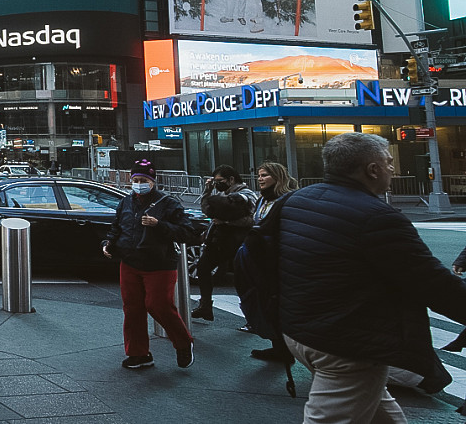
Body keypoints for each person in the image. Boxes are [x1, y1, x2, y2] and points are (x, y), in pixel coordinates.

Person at [279, 132, 466, 422]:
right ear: (373, 169)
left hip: (299, 331)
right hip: (347, 345)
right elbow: (433, 284)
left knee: (383, 416)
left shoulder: (298, 199)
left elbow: (261, 256)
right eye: (389, 162)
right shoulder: (379, 218)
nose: (393, 169)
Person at [102, 159, 195, 370]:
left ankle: (183, 342)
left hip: (159, 263)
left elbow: (187, 231)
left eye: (143, 180)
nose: (139, 183)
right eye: (135, 179)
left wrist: (159, 225)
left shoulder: (168, 203)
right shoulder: (126, 202)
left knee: (158, 304)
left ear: (153, 181)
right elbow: (117, 227)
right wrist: (109, 243)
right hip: (130, 261)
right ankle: (138, 353)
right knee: (132, 308)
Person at [190, 165, 258, 321]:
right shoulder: (222, 195)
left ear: (231, 179)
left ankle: (252, 315)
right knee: (203, 267)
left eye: (219, 181)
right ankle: (205, 305)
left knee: (243, 279)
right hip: (219, 241)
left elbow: (251, 220)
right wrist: (207, 190)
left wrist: (226, 221)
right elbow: (206, 210)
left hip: (237, 241)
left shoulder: (246, 195)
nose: (217, 184)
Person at [248, 161, 294, 362]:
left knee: (278, 302)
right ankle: (277, 345)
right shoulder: (262, 200)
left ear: (277, 176)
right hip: (261, 258)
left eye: (265, 175)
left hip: (279, 258)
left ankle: (286, 348)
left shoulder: (287, 200)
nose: (260, 179)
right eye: (259, 175)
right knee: (265, 301)